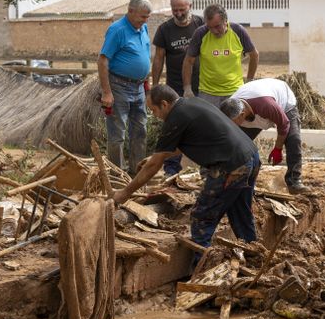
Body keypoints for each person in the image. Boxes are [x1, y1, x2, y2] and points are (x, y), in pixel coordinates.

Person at [112, 85, 261, 253]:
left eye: (153, 110)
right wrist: (159, 156)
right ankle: (252, 255)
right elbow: (191, 142)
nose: (155, 115)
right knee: (241, 211)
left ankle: (200, 268)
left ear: (164, 104)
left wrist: (125, 193)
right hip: (251, 156)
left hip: (232, 166)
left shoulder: (176, 117)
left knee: (202, 217)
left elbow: (153, 167)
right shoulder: (193, 103)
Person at [219, 78, 311, 195]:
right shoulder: (231, 107)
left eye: (233, 122)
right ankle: (225, 177)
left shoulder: (266, 105)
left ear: (242, 115)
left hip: (283, 100)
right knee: (237, 145)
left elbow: (284, 124)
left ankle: (294, 181)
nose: (232, 126)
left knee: (293, 139)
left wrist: (278, 148)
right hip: (254, 109)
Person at [98, 0, 152, 174]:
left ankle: (137, 173)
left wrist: (147, 86)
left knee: (140, 130)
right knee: (117, 134)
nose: (145, 20)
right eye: (142, 16)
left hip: (139, 87)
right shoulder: (117, 30)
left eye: (147, 16)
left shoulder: (142, 28)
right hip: (119, 86)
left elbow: (145, 57)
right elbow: (103, 60)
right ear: (131, 11)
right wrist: (107, 92)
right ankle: (117, 174)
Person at [152, 0, 203, 175]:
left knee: (200, 125)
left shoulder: (201, 24)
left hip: (201, 85)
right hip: (174, 87)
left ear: (190, 5)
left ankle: (203, 165)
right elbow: (158, 59)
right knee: (173, 127)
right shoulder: (164, 29)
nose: (179, 14)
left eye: (182, 9)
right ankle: (171, 168)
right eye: (175, 10)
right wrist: (155, 86)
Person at [182, 4, 259, 107]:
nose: (214, 31)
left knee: (234, 123)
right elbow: (188, 61)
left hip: (234, 92)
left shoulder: (238, 31)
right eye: (210, 27)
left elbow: (254, 55)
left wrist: (249, 82)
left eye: (217, 26)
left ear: (225, 20)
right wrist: (187, 88)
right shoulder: (200, 33)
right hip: (207, 94)